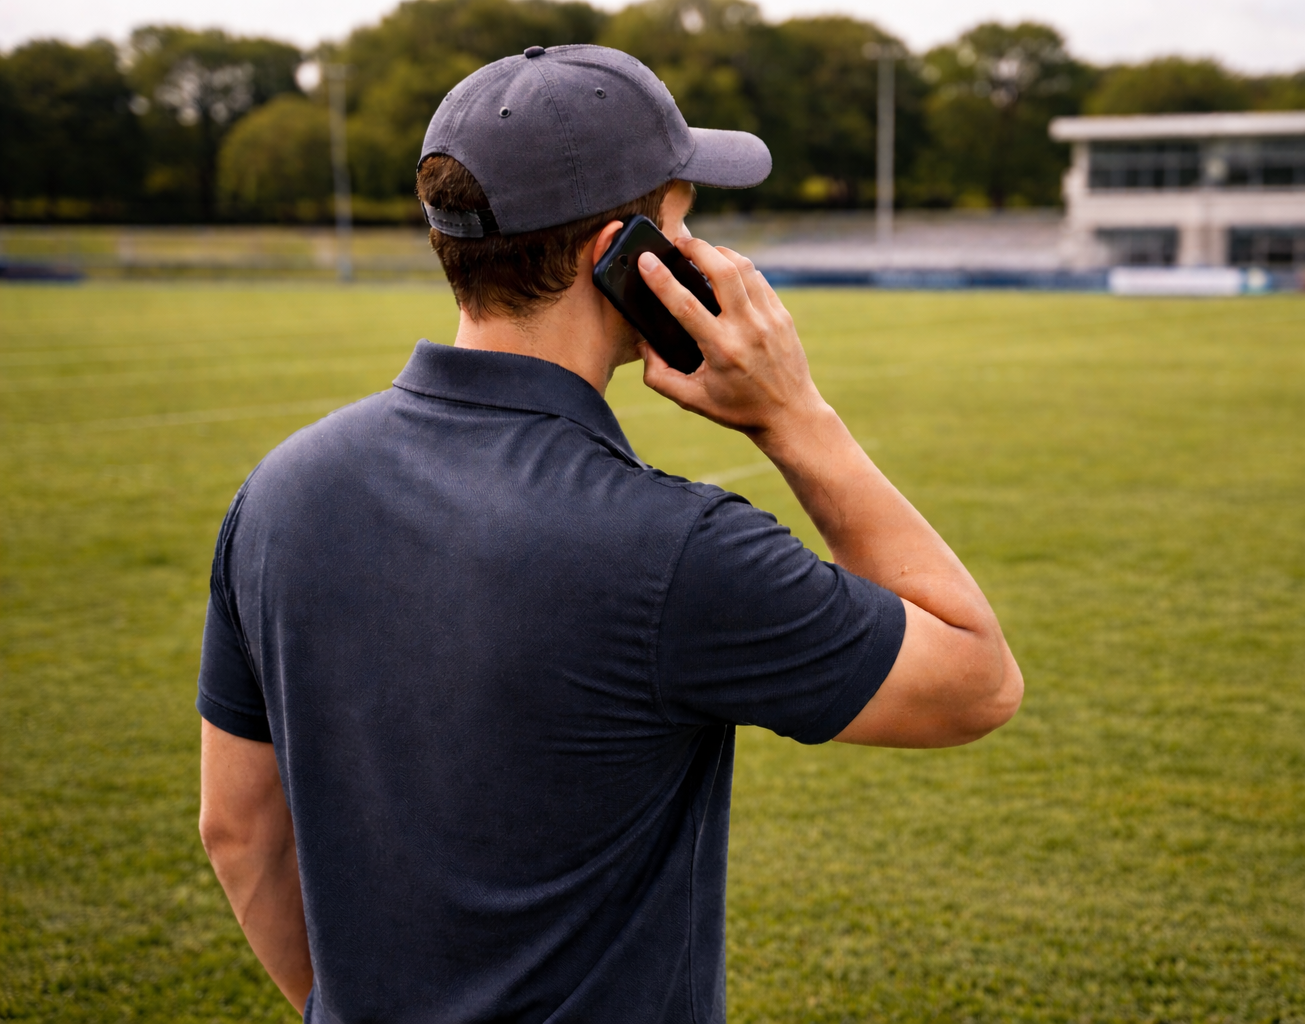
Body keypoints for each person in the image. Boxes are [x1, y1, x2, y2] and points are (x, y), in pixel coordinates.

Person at [196, 44, 1021, 1023]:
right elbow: (977, 679)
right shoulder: (677, 549)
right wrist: (792, 414)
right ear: (619, 256)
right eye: (681, 220)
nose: (702, 249)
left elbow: (238, 829)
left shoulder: (277, 493)